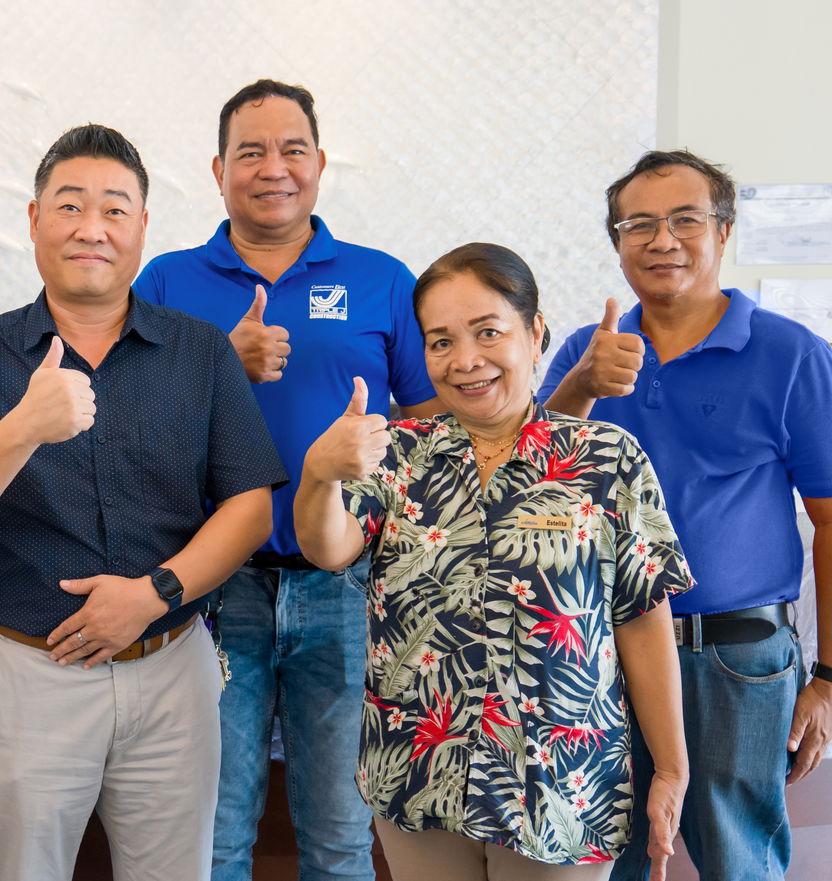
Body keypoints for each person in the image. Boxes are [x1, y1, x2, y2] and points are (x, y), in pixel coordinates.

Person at [0, 124, 287, 881]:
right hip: (25, 675)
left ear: (143, 227)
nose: (91, 228)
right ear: (34, 220)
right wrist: (22, 426)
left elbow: (250, 508)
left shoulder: (201, 352)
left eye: (115, 209)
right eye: (70, 206)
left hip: (172, 666)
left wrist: (154, 595)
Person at [294, 242, 690, 880]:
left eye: (488, 332)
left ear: (535, 334)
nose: (466, 361)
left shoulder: (606, 457)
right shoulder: (398, 453)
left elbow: (642, 619)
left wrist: (671, 767)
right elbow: (328, 546)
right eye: (441, 341)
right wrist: (319, 474)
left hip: (563, 784)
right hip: (417, 772)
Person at [133, 78, 441, 881]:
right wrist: (217, 372)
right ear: (218, 169)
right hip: (211, 587)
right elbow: (121, 426)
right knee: (214, 830)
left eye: (292, 149)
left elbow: (436, 415)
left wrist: (368, 453)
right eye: (251, 152)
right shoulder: (165, 282)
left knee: (340, 834)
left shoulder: (381, 279)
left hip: (345, 585)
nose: (274, 167)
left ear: (320, 162)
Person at [539, 150, 832, 881]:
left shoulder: (792, 354)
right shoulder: (588, 351)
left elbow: (831, 519)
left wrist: (829, 676)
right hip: (602, 653)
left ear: (724, 232)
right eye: (638, 224)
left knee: (740, 858)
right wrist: (579, 384)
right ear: (616, 241)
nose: (661, 240)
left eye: (684, 220)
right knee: (611, 856)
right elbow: (532, 482)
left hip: (739, 655)